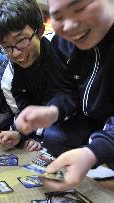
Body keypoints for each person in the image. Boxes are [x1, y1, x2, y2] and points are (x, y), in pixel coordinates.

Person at [0, 0, 91, 156]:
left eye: (22, 40)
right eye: (6, 46)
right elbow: (21, 114)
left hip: (77, 118)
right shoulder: (7, 77)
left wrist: (47, 119)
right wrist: (20, 134)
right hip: (48, 126)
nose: (16, 53)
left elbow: (76, 97)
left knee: (55, 138)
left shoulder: (64, 48)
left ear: (40, 31)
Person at [37, 0, 114, 191]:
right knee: (54, 136)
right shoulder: (61, 43)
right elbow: (64, 90)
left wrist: (95, 151)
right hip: (87, 119)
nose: (69, 25)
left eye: (80, 7)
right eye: (58, 16)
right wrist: (54, 110)